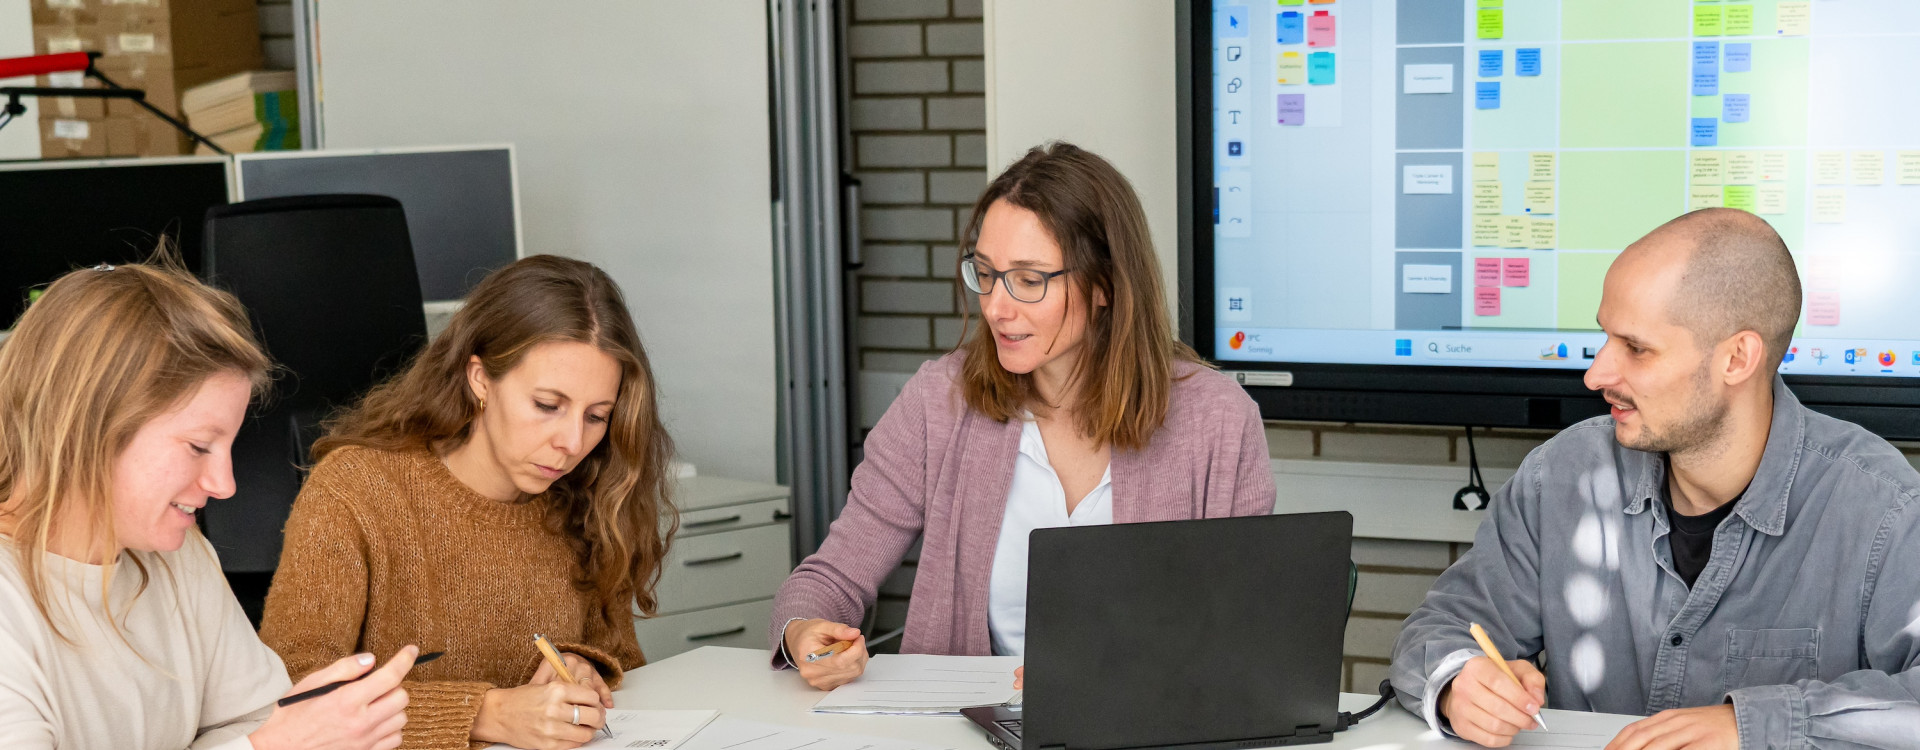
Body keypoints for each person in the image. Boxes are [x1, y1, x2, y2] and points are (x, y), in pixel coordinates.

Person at [1390, 208, 1920, 749]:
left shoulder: (1883, 510)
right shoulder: (1561, 476)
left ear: (1737, 358)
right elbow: (1445, 627)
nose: (1596, 375)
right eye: (1605, 339)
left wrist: (1752, 726)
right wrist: (1459, 682)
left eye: (1636, 348)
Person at [770, 141, 1275, 691]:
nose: (995, 306)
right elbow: (832, 574)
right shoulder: (938, 402)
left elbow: (1243, 633)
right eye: (985, 273)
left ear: (1105, 283)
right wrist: (804, 633)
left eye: (1029, 280)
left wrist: (1115, 679)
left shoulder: (1220, 421)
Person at [259, 255, 677, 750]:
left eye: (597, 416)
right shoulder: (356, 490)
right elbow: (294, 696)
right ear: (479, 378)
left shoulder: (590, 494)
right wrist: (483, 713)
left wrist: (587, 671)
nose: (571, 441)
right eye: (547, 406)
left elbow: (620, 661)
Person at [0, 258, 419, 750]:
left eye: (229, 448)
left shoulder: (182, 556)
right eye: (199, 446)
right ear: (87, 429)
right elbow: (259, 740)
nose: (224, 486)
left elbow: (249, 719)